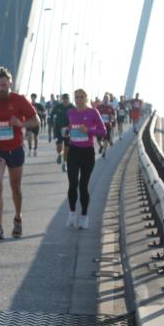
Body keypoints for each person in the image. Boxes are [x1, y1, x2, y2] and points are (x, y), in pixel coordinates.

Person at [0, 67, 39, 239]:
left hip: (15, 149)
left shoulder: (19, 100)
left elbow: (36, 120)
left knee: (15, 187)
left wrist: (20, 124)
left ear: (10, 84)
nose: (0, 88)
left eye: (3, 85)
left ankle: (18, 218)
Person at [66, 88, 108, 230]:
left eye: (81, 97)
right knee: (72, 184)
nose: (78, 100)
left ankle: (84, 216)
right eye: (76, 97)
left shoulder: (92, 112)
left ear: (86, 98)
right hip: (73, 151)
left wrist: (89, 130)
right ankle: (72, 213)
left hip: (87, 153)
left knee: (83, 186)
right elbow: (68, 128)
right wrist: (66, 132)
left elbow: (103, 131)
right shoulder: (70, 112)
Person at [50, 93, 74, 172]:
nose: (65, 100)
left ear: (69, 99)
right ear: (62, 99)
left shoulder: (72, 107)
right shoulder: (58, 106)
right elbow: (52, 114)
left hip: (68, 129)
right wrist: (51, 121)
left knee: (67, 148)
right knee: (59, 146)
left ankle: (64, 164)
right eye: (64, 99)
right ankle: (59, 154)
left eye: (67, 99)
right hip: (58, 128)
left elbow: (77, 116)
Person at [95, 94, 116, 159]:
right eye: (105, 98)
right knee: (99, 140)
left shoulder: (111, 107)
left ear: (109, 100)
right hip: (99, 126)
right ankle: (101, 146)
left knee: (105, 139)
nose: (106, 100)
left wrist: (112, 119)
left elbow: (114, 116)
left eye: (107, 98)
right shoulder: (99, 106)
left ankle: (104, 152)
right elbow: (94, 114)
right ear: (103, 99)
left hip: (107, 126)